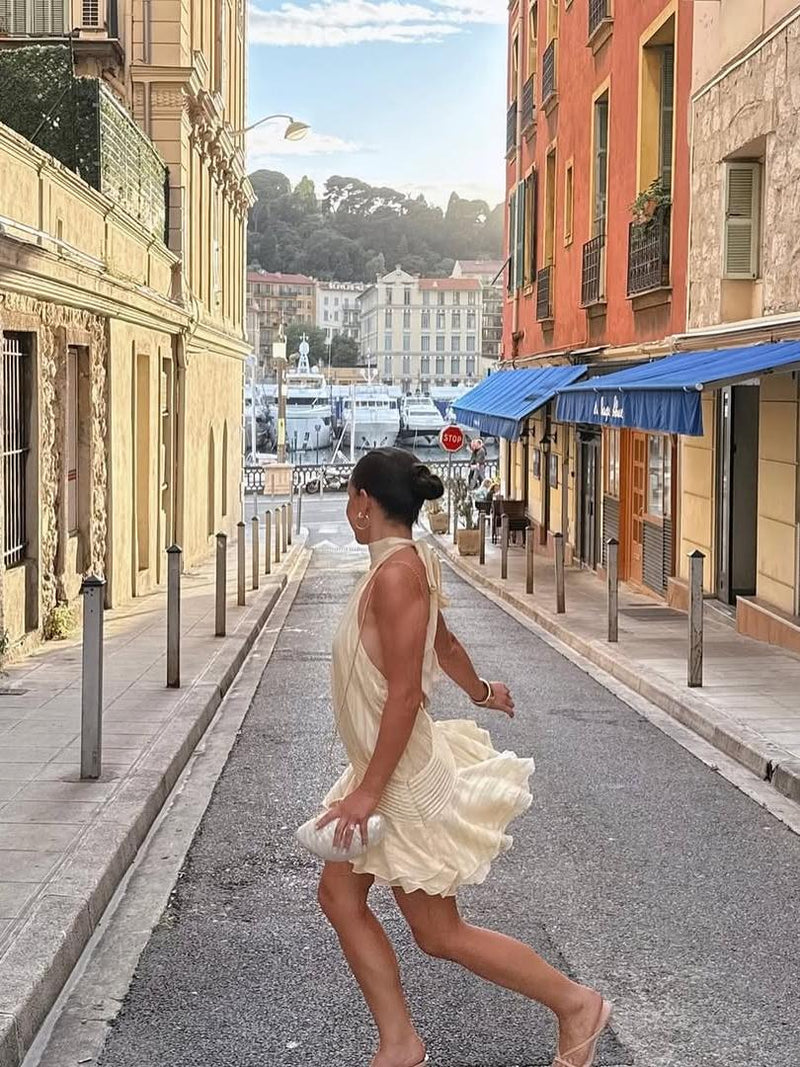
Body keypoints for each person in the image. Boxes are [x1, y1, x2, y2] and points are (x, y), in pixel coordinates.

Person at [316, 448, 612, 1067]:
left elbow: (405, 693)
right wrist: (481, 692)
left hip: (397, 778)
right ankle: (399, 1042)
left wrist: (368, 792)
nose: (348, 509)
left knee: (440, 932)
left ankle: (575, 1004)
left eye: (349, 497)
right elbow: (442, 643)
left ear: (363, 502)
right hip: (382, 767)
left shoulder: (397, 575)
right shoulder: (403, 565)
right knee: (342, 899)